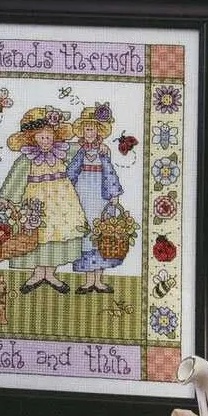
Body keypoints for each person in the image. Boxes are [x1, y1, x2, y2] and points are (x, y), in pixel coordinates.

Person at [0, 106, 86, 294]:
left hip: (61, 201)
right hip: (35, 201)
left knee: (58, 232)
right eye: (41, 137)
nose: (46, 140)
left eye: (49, 136)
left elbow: (82, 150)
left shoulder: (63, 151)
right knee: (36, 234)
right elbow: (17, 177)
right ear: (32, 138)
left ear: (56, 135)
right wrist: (7, 198)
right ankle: (38, 273)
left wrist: (95, 146)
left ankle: (50, 273)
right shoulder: (27, 157)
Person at [67, 102, 124, 294]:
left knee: (101, 233)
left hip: (100, 195)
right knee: (85, 232)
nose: (89, 133)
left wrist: (114, 194)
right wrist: (67, 190)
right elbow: (71, 172)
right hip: (82, 195)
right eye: (86, 129)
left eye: (92, 129)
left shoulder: (103, 151)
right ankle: (88, 280)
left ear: (98, 130)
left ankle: (98, 280)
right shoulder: (80, 151)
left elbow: (110, 173)